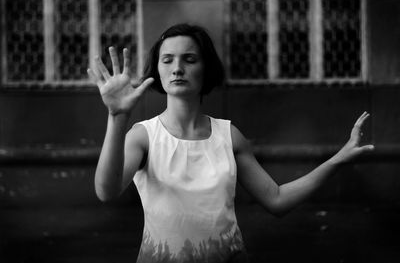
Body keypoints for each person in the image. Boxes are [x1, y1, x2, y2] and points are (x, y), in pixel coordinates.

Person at [87, 23, 374, 263]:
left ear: (206, 69)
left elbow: (277, 200)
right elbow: (106, 191)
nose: (177, 68)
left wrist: (338, 159)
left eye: (189, 59)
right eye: (168, 60)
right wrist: (117, 116)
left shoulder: (228, 135)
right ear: (158, 72)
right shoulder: (143, 136)